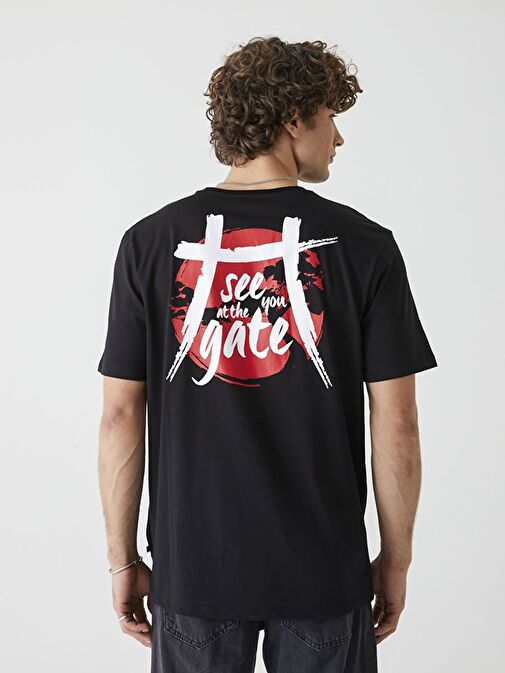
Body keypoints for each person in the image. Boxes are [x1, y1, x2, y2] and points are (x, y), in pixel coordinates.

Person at [97, 36, 437, 673]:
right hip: (323, 569)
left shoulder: (148, 242)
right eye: (331, 117)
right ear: (294, 119)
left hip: (194, 569)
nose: (339, 138)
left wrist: (122, 560)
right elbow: (398, 423)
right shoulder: (364, 246)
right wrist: (396, 558)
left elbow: (120, 415)